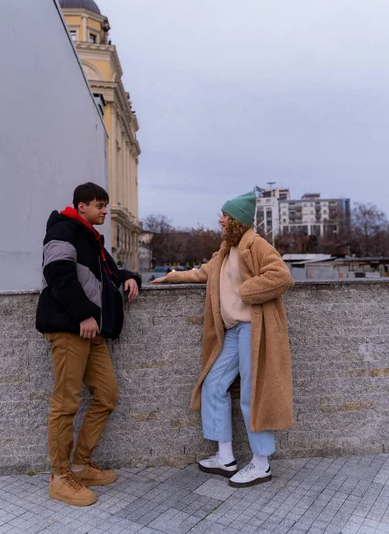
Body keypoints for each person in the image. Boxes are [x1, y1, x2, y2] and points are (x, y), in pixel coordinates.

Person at [152, 191, 294, 488]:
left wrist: (246, 290)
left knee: (251, 394)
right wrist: (170, 277)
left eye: (225, 216)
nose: (220, 219)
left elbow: (281, 276)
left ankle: (261, 463)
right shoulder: (227, 250)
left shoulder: (257, 245)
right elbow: (203, 273)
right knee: (213, 385)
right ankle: (226, 457)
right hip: (232, 332)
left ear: (238, 221)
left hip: (253, 329)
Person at [36, 182, 141, 506]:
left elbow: (110, 269)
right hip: (70, 328)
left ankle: (80, 464)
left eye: (105, 205)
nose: (105, 211)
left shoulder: (91, 238)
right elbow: (58, 275)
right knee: (65, 403)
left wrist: (129, 276)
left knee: (107, 394)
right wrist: (83, 314)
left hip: (92, 332)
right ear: (81, 206)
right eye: (99, 205)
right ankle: (59, 477)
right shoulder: (63, 231)